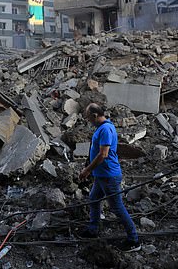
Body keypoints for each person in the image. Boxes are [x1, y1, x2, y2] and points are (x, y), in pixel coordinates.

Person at [78, 103, 140, 252]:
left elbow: (103, 155)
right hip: (101, 176)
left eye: (88, 118)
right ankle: (93, 229)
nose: (87, 121)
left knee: (117, 207)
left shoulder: (105, 129)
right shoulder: (104, 127)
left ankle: (134, 240)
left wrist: (87, 170)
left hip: (108, 176)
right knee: (93, 199)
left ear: (94, 116)